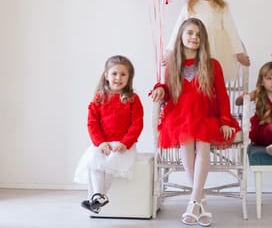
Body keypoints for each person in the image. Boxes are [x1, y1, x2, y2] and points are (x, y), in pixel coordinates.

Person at [151, 18, 240, 226]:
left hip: (206, 115)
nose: (194, 37)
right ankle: (200, 203)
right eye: (190, 33)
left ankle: (194, 202)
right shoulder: (173, 65)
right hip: (179, 116)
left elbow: (222, 96)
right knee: (187, 136)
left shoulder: (212, 65)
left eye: (199, 35)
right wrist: (160, 88)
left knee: (202, 140)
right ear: (181, 36)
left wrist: (226, 120)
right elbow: (168, 91)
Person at [74, 55, 144, 214]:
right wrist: (100, 143)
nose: (118, 78)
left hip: (123, 146)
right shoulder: (99, 98)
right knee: (94, 161)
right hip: (104, 144)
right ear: (106, 75)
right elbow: (92, 124)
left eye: (123, 74)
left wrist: (125, 143)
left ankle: (97, 198)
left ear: (129, 77)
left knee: (111, 163)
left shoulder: (132, 99)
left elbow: (137, 124)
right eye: (114, 74)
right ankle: (98, 197)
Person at [165, 0, 250, 82]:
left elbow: (231, 30)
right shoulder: (190, 5)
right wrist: (170, 50)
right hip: (194, 48)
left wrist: (238, 52)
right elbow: (178, 28)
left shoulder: (221, 6)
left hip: (215, 49)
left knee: (214, 77)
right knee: (196, 78)